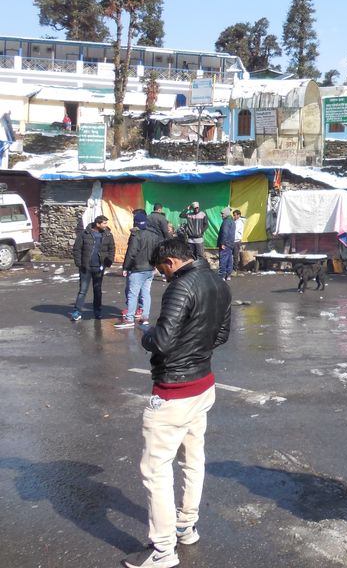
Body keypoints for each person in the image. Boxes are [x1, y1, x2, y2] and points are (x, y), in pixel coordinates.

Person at [123, 237, 231, 568]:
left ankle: (163, 550)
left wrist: (145, 333)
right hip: (203, 386)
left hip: (174, 391)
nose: (163, 277)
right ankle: (186, 525)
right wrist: (194, 347)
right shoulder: (218, 282)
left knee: (156, 470)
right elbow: (221, 335)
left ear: (170, 262)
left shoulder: (180, 287)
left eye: (161, 270)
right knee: (192, 459)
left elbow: (164, 340)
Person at [117, 211, 164, 329]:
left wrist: (126, 267)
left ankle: (129, 319)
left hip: (137, 269)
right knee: (145, 293)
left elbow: (131, 253)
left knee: (132, 294)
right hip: (150, 269)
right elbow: (158, 252)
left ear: (136, 222)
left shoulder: (136, 235)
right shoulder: (155, 235)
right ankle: (145, 318)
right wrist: (155, 265)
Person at [70, 215, 115, 321]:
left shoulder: (108, 235)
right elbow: (77, 249)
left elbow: (112, 249)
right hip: (86, 267)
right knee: (82, 290)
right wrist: (79, 263)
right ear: (97, 224)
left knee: (97, 290)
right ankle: (77, 311)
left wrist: (108, 262)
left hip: (99, 267)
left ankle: (97, 311)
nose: (106, 225)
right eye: (104, 223)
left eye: (106, 223)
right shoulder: (84, 234)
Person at [216, 208, 235, 281]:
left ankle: (222, 276)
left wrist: (223, 243)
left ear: (226, 213)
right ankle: (228, 275)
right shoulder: (232, 221)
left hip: (225, 244)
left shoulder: (226, 222)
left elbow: (225, 233)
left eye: (222, 213)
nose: (221, 215)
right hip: (230, 243)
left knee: (223, 259)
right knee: (229, 260)